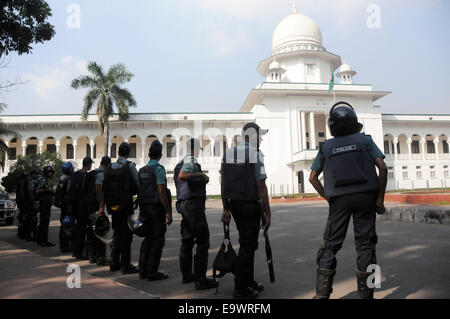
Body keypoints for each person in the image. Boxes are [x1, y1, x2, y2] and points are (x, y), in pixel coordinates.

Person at [309, 101, 388, 299]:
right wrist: (380, 198)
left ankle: (321, 295)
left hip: (339, 201)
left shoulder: (326, 147)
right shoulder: (365, 141)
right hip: (365, 198)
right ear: (354, 121)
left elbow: (312, 178)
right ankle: (367, 294)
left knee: (330, 246)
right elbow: (383, 168)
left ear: (331, 126)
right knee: (366, 246)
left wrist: (328, 197)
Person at [220, 123, 272, 299]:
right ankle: (241, 289)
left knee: (248, 244)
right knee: (247, 247)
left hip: (235, 205)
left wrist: (226, 208)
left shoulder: (227, 154)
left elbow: (223, 183)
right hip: (250, 205)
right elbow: (261, 186)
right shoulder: (256, 155)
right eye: (259, 135)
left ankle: (248, 282)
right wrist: (267, 213)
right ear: (250, 136)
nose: (261, 139)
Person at [174, 138, 217, 290]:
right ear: (194, 148)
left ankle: (187, 276)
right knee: (203, 241)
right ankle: (200, 279)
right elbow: (182, 175)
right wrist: (201, 175)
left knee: (187, 240)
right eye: (198, 148)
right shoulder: (190, 159)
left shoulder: (180, 161)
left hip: (185, 205)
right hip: (194, 206)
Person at [137, 140, 172, 281]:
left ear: (148, 154)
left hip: (144, 208)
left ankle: (142, 270)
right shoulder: (159, 169)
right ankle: (152, 271)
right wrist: (168, 212)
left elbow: (139, 192)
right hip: (156, 209)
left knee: (147, 238)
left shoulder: (142, 170)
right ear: (160, 155)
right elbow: (161, 192)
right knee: (157, 240)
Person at [102, 142, 140, 274]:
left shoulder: (109, 167)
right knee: (127, 234)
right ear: (128, 153)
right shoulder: (130, 166)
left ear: (118, 152)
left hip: (112, 205)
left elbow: (104, 187)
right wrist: (138, 199)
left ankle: (114, 262)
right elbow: (138, 183)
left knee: (117, 232)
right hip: (126, 205)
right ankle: (125, 265)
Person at [92, 156, 112, 266]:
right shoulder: (101, 174)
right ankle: (101, 257)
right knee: (101, 231)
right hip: (97, 206)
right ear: (108, 164)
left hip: (91, 206)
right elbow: (98, 190)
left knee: (94, 231)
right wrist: (101, 206)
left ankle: (93, 255)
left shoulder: (94, 172)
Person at [55, 162, 74, 253]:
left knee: (63, 225)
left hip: (62, 206)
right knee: (68, 225)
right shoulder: (69, 180)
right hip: (68, 206)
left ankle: (63, 245)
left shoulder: (61, 179)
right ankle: (66, 245)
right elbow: (69, 194)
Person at [34, 166, 56, 247]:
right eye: (50, 172)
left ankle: (41, 240)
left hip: (47, 203)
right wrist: (47, 190)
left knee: (44, 222)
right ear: (46, 172)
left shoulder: (46, 181)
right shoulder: (43, 181)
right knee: (44, 222)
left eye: (52, 172)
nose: (51, 173)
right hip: (44, 203)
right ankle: (44, 241)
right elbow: (37, 191)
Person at [23, 168, 40, 242]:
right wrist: (33, 203)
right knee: (32, 219)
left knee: (31, 219)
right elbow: (30, 193)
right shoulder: (31, 182)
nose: (37, 175)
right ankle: (30, 236)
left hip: (30, 203)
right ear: (32, 174)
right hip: (30, 203)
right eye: (35, 174)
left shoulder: (33, 181)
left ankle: (30, 235)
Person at [16, 171, 28, 240]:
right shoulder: (22, 183)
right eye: (25, 177)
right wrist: (24, 202)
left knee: (21, 216)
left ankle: (20, 232)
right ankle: (22, 233)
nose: (26, 178)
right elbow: (22, 194)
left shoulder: (20, 183)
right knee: (23, 217)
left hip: (20, 203)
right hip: (22, 203)